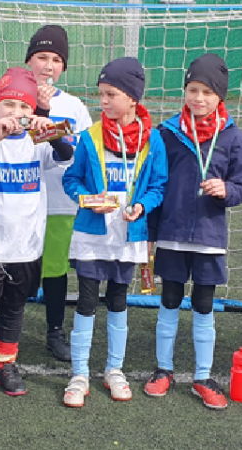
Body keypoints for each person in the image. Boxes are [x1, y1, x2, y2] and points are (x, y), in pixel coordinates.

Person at [0, 68, 74, 419]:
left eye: (23, 107)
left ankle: (4, 364)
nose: (15, 113)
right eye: (8, 105)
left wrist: (49, 128)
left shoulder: (39, 141)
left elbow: (66, 154)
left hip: (27, 248)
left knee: (14, 310)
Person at [144, 53, 242, 409]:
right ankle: (163, 370)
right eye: (193, 89)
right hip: (172, 235)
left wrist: (227, 190)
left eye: (207, 92)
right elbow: (155, 184)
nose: (199, 98)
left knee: (204, 305)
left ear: (220, 96)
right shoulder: (167, 133)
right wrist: (150, 232)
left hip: (209, 238)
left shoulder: (232, 136)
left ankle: (203, 376)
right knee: (169, 300)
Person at [60, 57, 167, 407]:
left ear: (133, 98)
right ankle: (79, 374)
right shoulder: (90, 137)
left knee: (118, 302)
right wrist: (87, 199)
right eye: (101, 94)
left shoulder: (154, 140)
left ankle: (114, 370)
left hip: (128, 236)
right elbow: (71, 179)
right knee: (87, 300)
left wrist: (142, 207)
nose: (103, 101)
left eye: (111, 94)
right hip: (92, 235)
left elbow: (158, 186)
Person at [27, 25, 93, 362]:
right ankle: (6, 333)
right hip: (20, 201)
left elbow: (83, 149)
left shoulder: (74, 105)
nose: (48, 65)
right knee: (16, 270)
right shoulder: (14, 96)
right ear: (29, 61)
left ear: (63, 67)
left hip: (60, 203)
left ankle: (55, 331)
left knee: (54, 270)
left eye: (56, 59)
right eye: (42, 57)